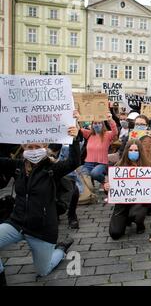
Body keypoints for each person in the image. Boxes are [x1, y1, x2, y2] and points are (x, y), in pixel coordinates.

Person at [0, 124, 80, 286]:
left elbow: (74, 161)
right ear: (24, 148)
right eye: (30, 146)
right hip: (17, 223)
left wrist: (75, 138)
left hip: (41, 229)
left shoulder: (52, 169)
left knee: (43, 270)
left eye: (37, 146)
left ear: (45, 147)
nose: (33, 149)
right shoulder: (18, 167)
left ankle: (60, 249)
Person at [105, 140, 151, 240]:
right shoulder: (118, 166)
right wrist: (107, 187)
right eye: (131, 150)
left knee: (136, 214)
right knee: (115, 233)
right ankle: (126, 219)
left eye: (136, 150)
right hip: (121, 204)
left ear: (140, 151)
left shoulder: (148, 167)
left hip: (139, 202)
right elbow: (111, 188)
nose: (133, 152)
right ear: (126, 151)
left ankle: (140, 223)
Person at [78, 112, 118, 191]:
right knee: (84, 179)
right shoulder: (89, 134)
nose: (97, 125)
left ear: (103, 125)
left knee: (95, 173)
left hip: (102, 163)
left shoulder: (107, 134)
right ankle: (89, 193)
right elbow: (78, 129)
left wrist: (110, 120)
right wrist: (76, 118)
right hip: (88, 163)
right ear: (92, 125)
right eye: (95, 123)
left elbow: (115, 132)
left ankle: (105, 182)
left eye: (99, 123)